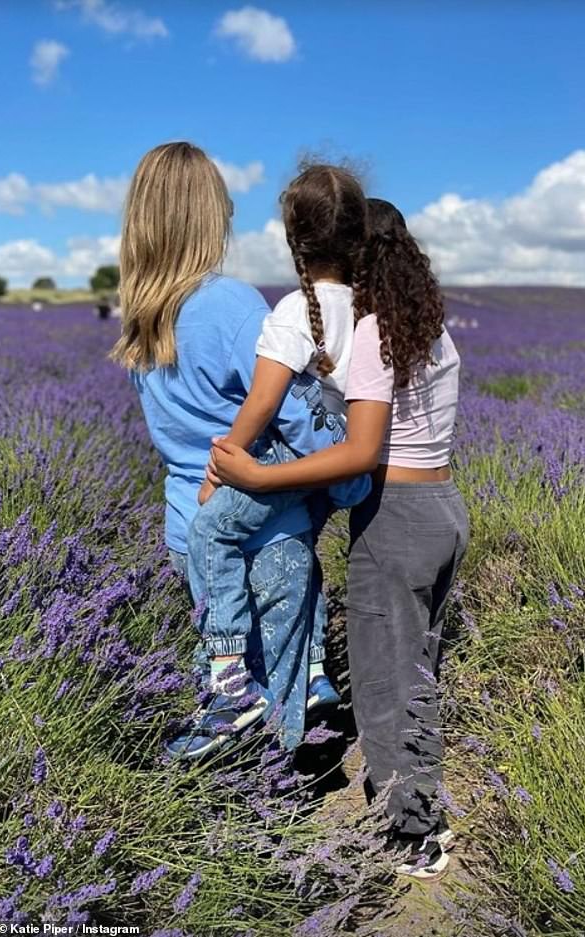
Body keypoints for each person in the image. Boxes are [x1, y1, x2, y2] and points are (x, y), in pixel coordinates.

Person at [208, 198, 469, 880]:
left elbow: (359, 452)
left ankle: (416, 833)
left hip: (398, 514)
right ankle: (423, 810)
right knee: (420, 669)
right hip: (445, 506)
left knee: (385, 682)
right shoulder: (432, 330)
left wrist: (262, 476)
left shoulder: (381, 334)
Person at [109, 142, 363, 759]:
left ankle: (230, 816)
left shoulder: (142, 316)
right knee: (277, 702)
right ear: (210, 215)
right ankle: (281, 826)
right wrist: (349, 472)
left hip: (187, 524)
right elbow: (295, 410)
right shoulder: (229, 304)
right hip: (263, 525)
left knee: (229, 686)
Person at [191, 164, 370, 729]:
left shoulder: (295, 311)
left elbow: (263, 403)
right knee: (305, 552)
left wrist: (222, 466)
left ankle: (228, 680)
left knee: (210, 531)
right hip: (337, 469)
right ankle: (316, 670)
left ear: (293, 239)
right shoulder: (366, 311)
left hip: (290, 460)